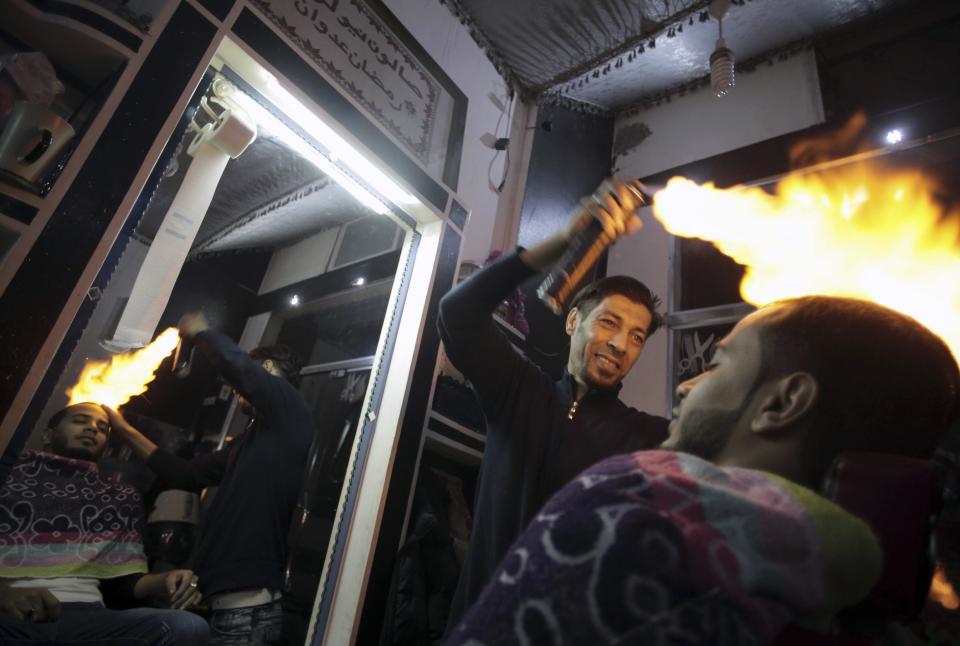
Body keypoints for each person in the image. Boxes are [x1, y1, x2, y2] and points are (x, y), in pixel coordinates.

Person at [446, 296, 960, 645]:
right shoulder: (864, 612)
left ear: (782, 402)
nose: (687, 387)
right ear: (574, 320)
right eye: (608, 323)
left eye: (718, 365)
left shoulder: (634, 506)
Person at [440, 179, 670, 626]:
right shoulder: (518, 390)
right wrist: (563, 240)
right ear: (573, 323)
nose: (621, 343)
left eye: (637, 336)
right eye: (609, 323)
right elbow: (457, 313)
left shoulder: (646, 437)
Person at [106, 314, 314, 645]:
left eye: (257, 369)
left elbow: (241, 371)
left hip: (248, 613)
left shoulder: (291, 411)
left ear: (274, 373)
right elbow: (185, 473)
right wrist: (122, 429)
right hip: (222, 610)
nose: (235, 390)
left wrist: (202, 331)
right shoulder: (250, 441)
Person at [0, 402, 209, 645]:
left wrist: (166, 579)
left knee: (187, 627)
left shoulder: (117, 497)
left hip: (86, 618)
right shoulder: (9, 479)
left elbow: (123, 584)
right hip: (10, 614)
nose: (92, 429)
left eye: (102, 428)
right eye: (80, 421)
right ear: (47, 434)